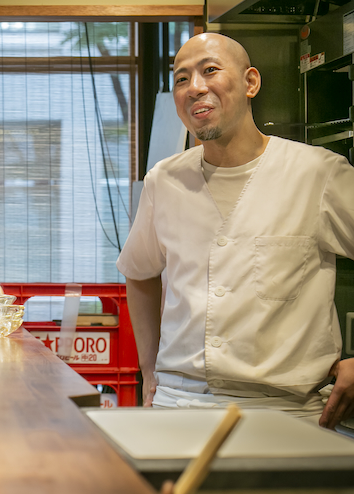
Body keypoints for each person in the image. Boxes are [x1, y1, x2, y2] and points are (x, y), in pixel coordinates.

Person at [117, 32, 354, 429]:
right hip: (180, 404)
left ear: (250, 83)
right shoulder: (164, 180)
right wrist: (149, 372)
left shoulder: (318, 173)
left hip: (287, 413)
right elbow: (139, 273)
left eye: (210, 70)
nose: (195, 88)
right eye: (181, 78)